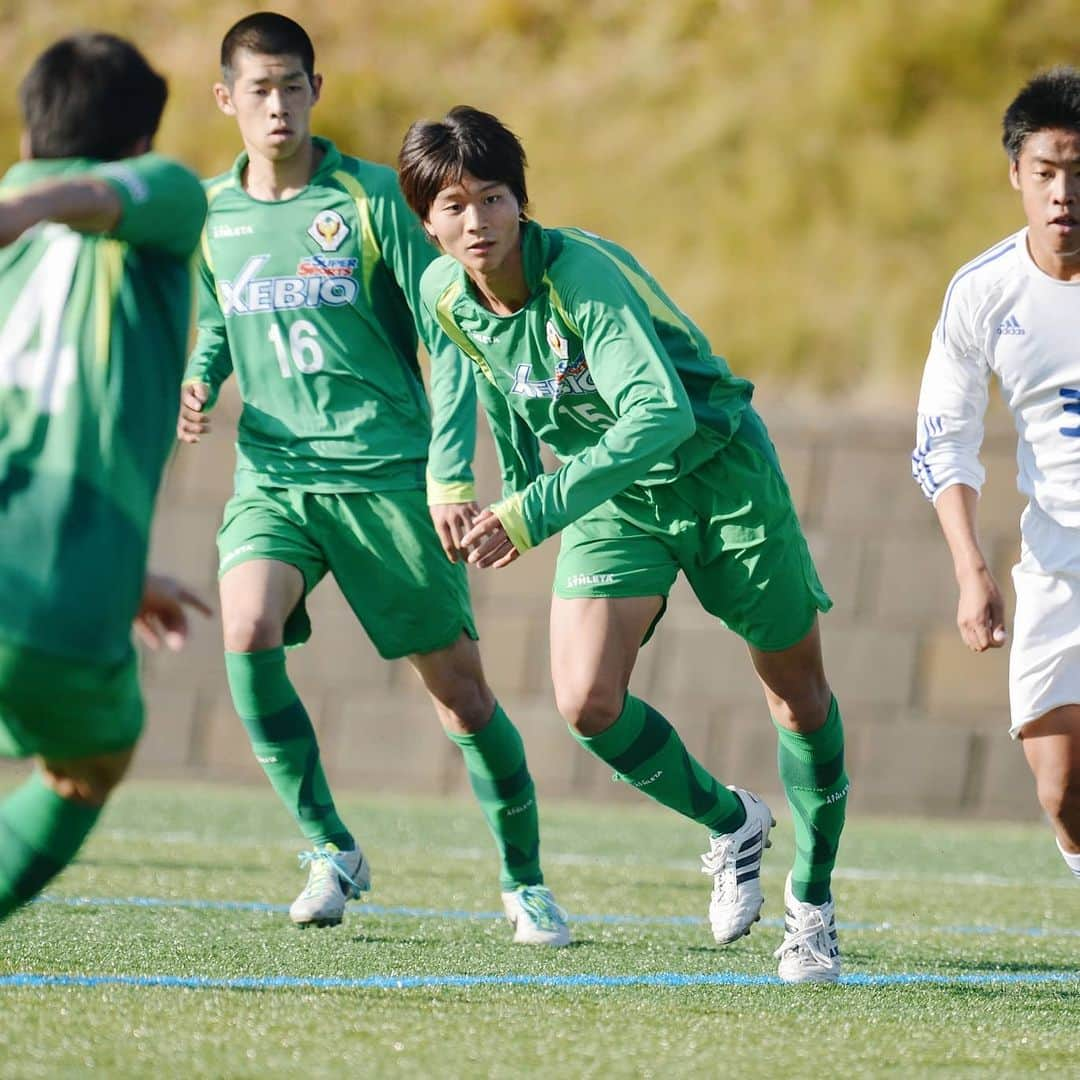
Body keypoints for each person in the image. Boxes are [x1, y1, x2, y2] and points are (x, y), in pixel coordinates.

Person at [398, 106, 850, 983]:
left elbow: (661, 414)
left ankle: (814, 905)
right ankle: (733, 824)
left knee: (797, 699)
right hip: (613, 497)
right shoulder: (443, 290)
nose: (477, 222)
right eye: (453, 206)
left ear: (522, 203)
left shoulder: (585, 277)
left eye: (493, 199)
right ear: (427, 221)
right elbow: (467, 373)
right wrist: (454, 483)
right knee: (586, 702)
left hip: (720, 475)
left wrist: (532, 512)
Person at [178, 13, 568, 944]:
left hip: (386, 475)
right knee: (245, 628)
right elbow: (216, 317)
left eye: (293, 86)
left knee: (461, 697)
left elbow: (446, 333)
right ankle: (329, 845)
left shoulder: (366, 200)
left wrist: (445, 476)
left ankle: (525, 882)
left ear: (318, 91)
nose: (278, 106)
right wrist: (201, 377)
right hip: (275, 477)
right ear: (226, 99)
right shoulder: (209, 215)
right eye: (259, 89)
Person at [0, 32, 210, 921]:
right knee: (91, 762)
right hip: (56, 588)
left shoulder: (17, 199)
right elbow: (101, 192)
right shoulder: (169, 191)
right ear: (138, 144)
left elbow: (73, 194)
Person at [913, 68, 1080, 884]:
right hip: (1058, 568)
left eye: (1078, 174)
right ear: (1016, 172)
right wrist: (971, 566)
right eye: (1047, 172)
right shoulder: (984, 292)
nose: (1063, 195)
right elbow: (943, 439)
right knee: (1062, 796)